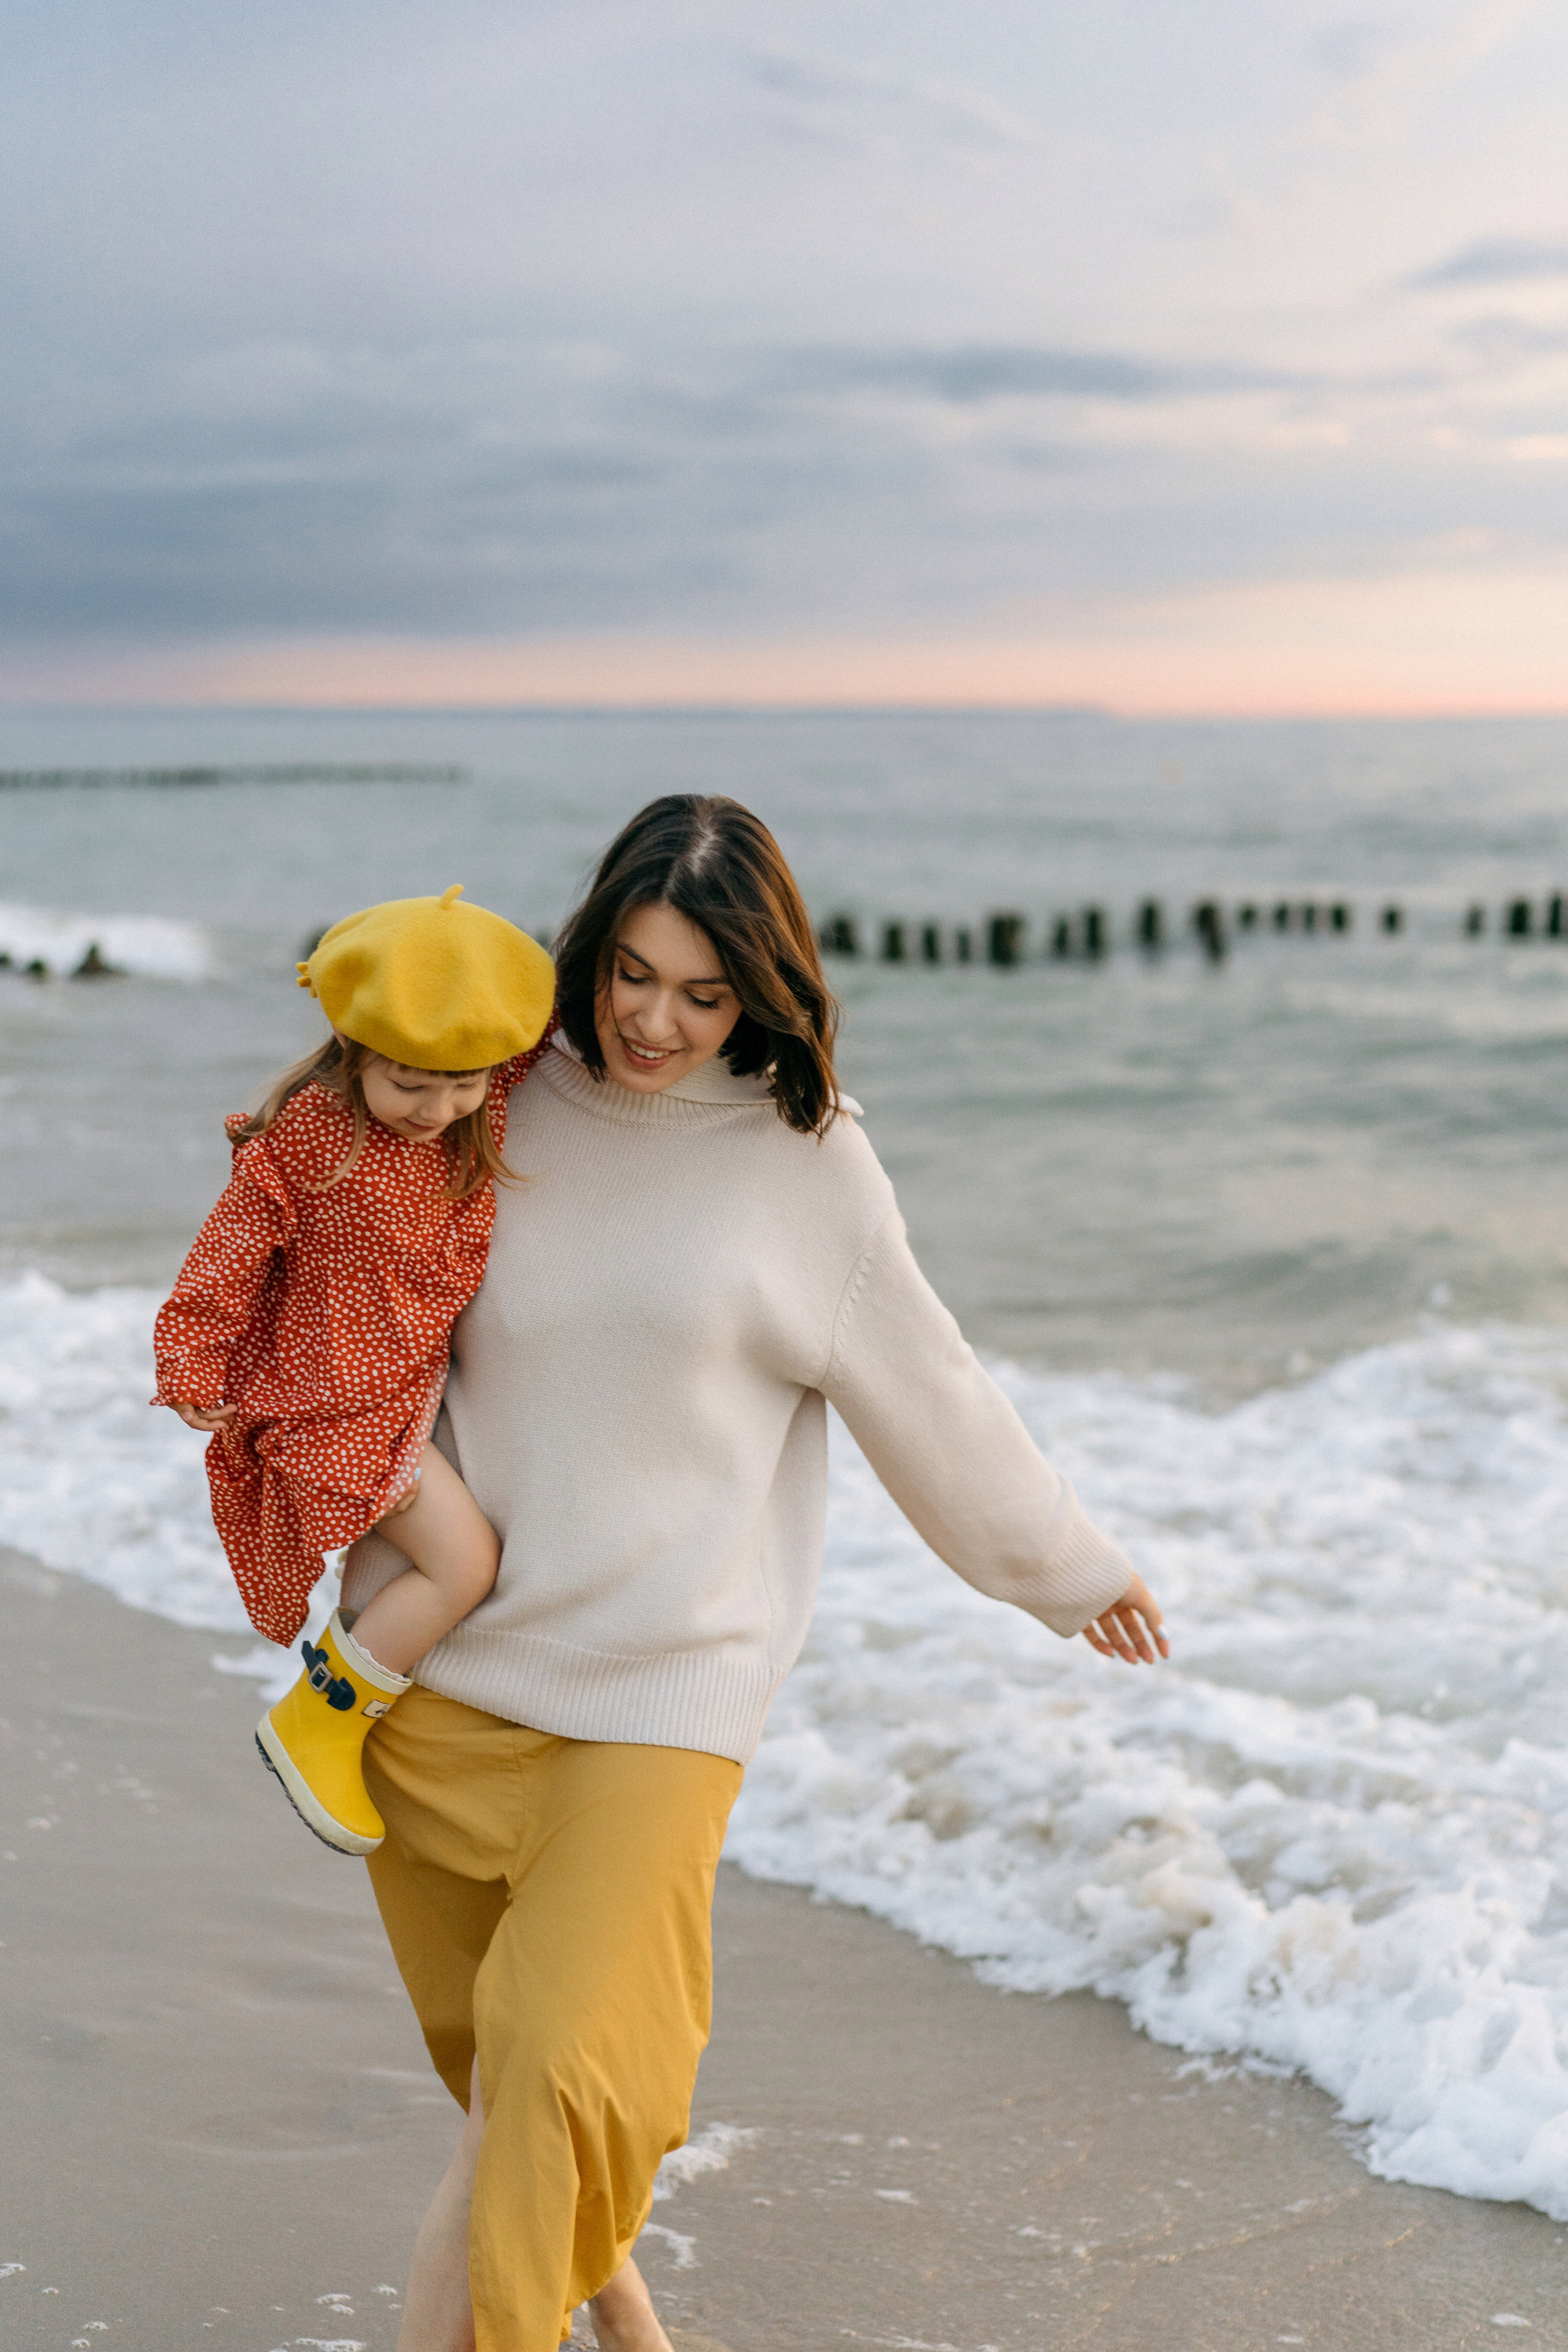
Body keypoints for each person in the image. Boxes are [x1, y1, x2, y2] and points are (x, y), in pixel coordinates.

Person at [341, 797, 1168, 2352]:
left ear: (760, 993)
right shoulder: (493, 1102)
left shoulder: (807, 1164)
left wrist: (1064, 1566)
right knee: (513, 2092)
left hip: (662, 1690)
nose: (655, 1021)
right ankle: (638, 2333)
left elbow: (933, 1391)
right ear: (589, 951)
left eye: (704, 993)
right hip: (441, 1679)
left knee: (573, 2089)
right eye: (632, 976)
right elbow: (331, 1253)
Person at [153, 884, 557, 1855]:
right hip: (327, 1402)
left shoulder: (479, 1096)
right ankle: (322, 1715)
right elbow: (229, 1250)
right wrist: (191, 1356)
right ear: (355, 1048)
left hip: (403, 1392)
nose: (440, 1107)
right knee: (466, 1565)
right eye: (411, 1083)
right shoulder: (311, 1136)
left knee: (470, 1562)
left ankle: (344, 1707)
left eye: (462, 1084)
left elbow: (548, 1039)